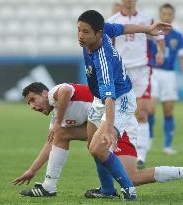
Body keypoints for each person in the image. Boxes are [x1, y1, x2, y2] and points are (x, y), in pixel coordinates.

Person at [13, 82, 183, 199]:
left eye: (33, 100)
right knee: (61, 135)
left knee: (133, 178)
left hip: (119, 124)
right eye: (29, 104)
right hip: (103, 125)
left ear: (44, 93)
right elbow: (50, 143)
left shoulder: (54, 95)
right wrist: (32, 170)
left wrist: (58, 121)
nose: (33, 106)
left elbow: (65, 90)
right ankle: (49, 186)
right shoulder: (57, 118)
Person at [107, 0, 166, 169]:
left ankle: (141, 155)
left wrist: (161, 52)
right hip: (121, 71)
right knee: (119, 112)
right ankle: (115, 149)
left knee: (141, 113)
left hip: (141, 70)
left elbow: (159, 38)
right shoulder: (113, 19)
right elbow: (107, 44)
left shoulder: (146, 19)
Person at [148, 3, 183, 155]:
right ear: (160, 15)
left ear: (173, 16)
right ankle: (147, 140)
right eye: (164, 14)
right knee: (149, 108)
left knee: (168, 111)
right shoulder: (152, 33)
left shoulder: (178, 36)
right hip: (153, 72)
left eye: (170, 14)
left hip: (169, 75)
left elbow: (181, 58)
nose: (167, 16)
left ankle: (167, 145)